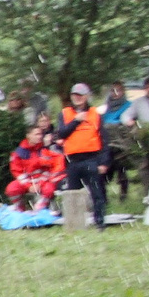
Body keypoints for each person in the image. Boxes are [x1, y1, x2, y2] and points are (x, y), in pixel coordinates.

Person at [56, 83, 109, 229]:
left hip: (91, 159)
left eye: (80, 95)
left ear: (86, 97)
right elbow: (61, 134)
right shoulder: (65, 114)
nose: (77, 98)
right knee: (73, 193)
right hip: (72, 160)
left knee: (97, 192)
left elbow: (104, 139)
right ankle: (75, 224)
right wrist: (76, 121)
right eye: (74, 95)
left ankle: (100, 223)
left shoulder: (95, 114)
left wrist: (104, 162)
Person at [121, 76, 149, 194]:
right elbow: (125, 116)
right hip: (146, 141)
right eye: (148, 87)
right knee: (146, 167)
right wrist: (129, 122)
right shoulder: (138, 103)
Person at [6, 127, 61, 209]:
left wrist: (40, 183)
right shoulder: (18, 153)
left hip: (42, 181)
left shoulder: (44, 150)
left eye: (40, 134)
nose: (40, 137)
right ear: (28, 136)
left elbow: (49, 169)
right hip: (27, 182)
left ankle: (40, 208)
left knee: (49, 189)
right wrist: (29, 186)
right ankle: (19, 209)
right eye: (36, 134)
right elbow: (17, 172)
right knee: (11, 189)